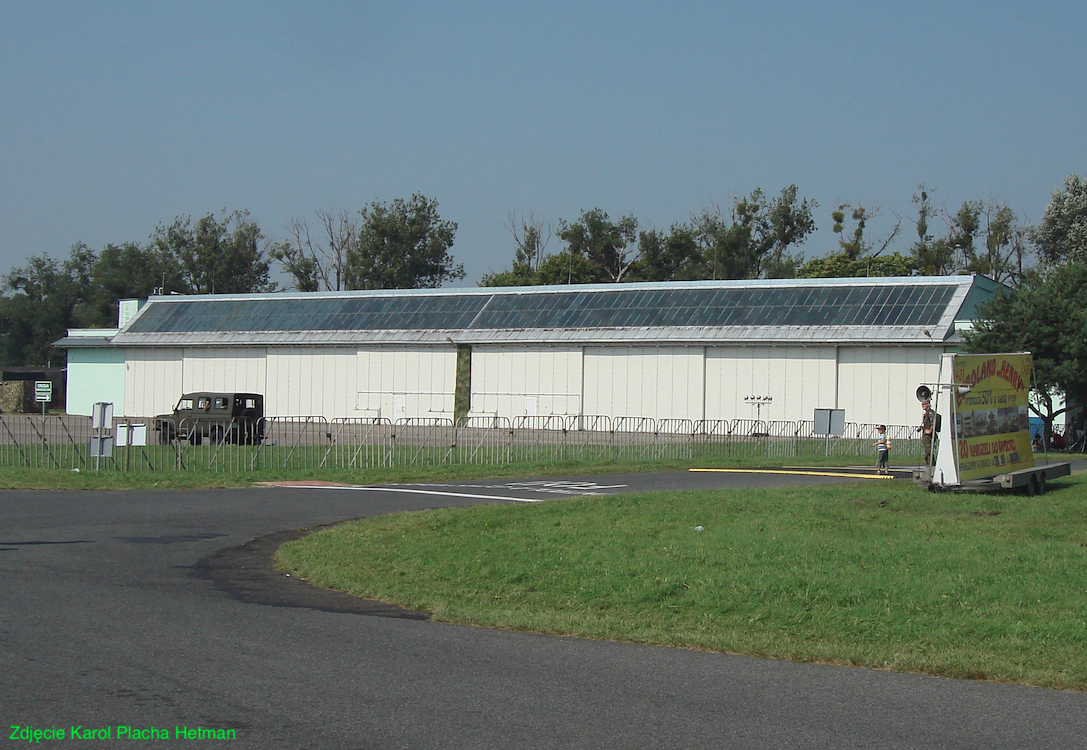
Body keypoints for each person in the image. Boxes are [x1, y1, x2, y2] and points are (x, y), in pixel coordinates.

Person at [919, 401, 935, 465]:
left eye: (924, 404)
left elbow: (933, 422)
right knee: (927, 451)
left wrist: (930, 430)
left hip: (929, 436)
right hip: (925, 435)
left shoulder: (931, 413)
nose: (922, 405)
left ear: (928, 404)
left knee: (929, 451)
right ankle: (929, 464)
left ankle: (932, 464)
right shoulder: (926, 414)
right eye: (922, 404)